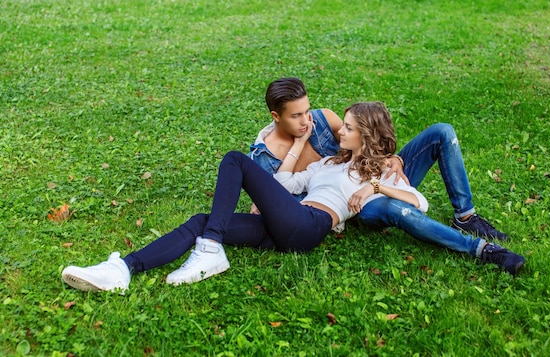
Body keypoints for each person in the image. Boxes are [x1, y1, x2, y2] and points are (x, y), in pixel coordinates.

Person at [61, 102, 429, 292]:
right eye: (343, 124)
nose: (340, 130)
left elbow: (418, 203)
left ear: (366, 133)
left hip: (309, 227)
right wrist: (299, 144)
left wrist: (378, 187)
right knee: (202, 222)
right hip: (288, 222)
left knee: (235, 161)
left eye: (348, 127)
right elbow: (285, 185)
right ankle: (123, 269)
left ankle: (210, 251)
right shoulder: (329, 163)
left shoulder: (380, 169)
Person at [248, 77, 523, 274]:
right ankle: (480, 249)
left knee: (442, 131)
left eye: (307, 111)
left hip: (374, 175)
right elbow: (268, 201)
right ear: (276, 116)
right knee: (393, 207)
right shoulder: (265, 156)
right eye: (297, 115)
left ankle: (466, 217)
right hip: (351, 201)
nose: (308, 121)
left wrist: (394, 159)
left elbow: (362, 137)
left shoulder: (322, 119)